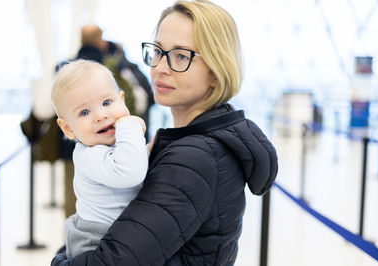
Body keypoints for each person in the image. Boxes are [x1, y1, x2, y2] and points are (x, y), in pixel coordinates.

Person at [52, 1, 278, 265]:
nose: (160, 67)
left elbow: (115, 260)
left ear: (216, 71)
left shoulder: (194, 158)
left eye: (181, 55)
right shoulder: (193, 142)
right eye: (158, 51)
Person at [51, 60, 149, 259]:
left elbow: (139, 162)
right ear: (68, 128)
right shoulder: (88, 155)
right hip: (96, 242)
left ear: (122, 100)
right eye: (84, 112)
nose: (101, 116)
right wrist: (130, 126)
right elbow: (131, 173)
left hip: (118, 233)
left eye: (107, 103)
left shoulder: (113, 144)